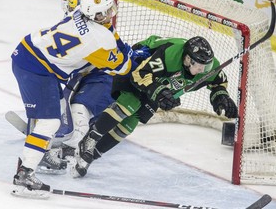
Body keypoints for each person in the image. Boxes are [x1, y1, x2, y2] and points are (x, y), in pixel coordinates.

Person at [11, 0, 145, 198]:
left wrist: (120, 46)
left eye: (111, 9)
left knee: (56, 122)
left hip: (31, 52)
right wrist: (130, 56)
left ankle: (35, 156)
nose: (111, 14)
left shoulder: (78, 13)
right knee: (50, 123)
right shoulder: (99, 39)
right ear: (96, 16)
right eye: (106, 12)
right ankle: (24, 177)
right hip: (38, 69)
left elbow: (110, 34)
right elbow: (123, 67)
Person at [70, 35, 238, 178]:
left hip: (159, 83)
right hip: (139, 66)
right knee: (129, 105)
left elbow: (219, 82)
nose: (203, 70)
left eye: (206, 67)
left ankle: (90, 156)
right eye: (199, 66)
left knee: (130, 124)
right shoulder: (171, 54)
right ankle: (90, 139)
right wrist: (159, 92)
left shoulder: (208, 66)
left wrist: (221, 96)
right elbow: (140, 75)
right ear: (187, 59)